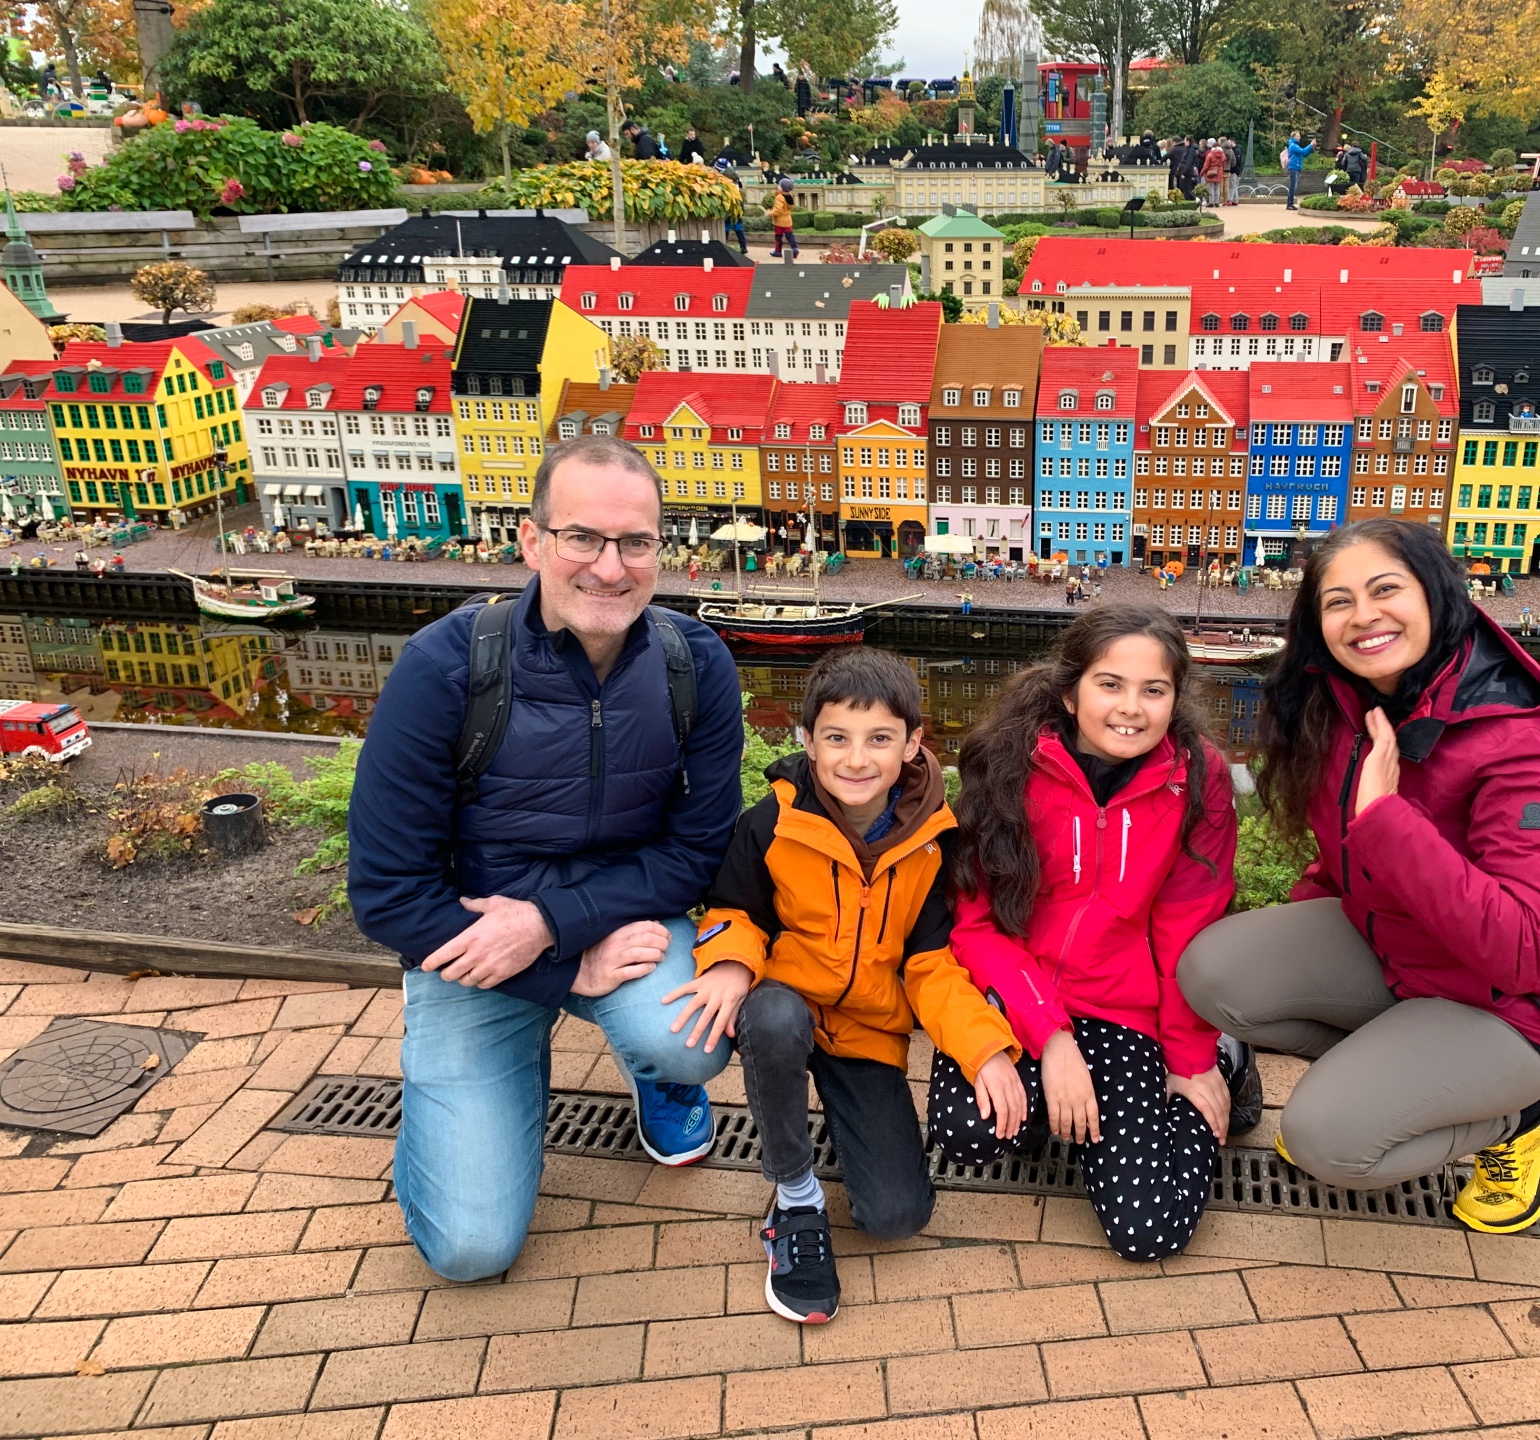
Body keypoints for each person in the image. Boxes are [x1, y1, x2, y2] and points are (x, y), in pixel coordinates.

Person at [346, 435, 744, 1282]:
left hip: (618, 911)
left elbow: (699, 848)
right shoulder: (445, 668)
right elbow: (387, 892)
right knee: (470, 1251)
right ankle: (469, 1099)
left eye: (636, 542)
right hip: (474, 942)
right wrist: (555, 969)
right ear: (532, 543)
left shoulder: (694, 664)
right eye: (582, 539)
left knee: (690, 1046)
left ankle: (655, 1077)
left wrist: (560, 927)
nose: (610, 567)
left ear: (659, 549)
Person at [1177, 518, 1540, 1236]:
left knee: (1328, 1142)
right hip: (1405, 954)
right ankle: (1389, 1079)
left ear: (1435, 593)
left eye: (1384, 590)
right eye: (1337, 601)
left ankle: (1525, 1116)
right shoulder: (1344, 699)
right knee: (1215, 973)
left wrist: (1386, 819)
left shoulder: (1518, 739)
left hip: (1513, 1006)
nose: (1362, 616)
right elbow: (1339, 861)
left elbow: (1528, 949)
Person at [672, 650, 1022, 1324]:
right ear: (808, 741)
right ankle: (794, 1193)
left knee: (896, 1216)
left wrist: (984, 1048)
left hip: (865, 1029)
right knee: (772, 1020)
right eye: (836, 738)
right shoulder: (772, 824)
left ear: (914, 744)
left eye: (879, 739)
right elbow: (732, 909)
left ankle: (850, 1122)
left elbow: (929, 965)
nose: (856, 759)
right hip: (788, 1003)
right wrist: (730, 962)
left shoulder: (932, 844)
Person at [933, 604, 1257, 1261]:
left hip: (1122, 1007)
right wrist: (1051, 1040)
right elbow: (976, 924)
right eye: (1110, 684)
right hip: (1016, 995)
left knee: (1148, 1234)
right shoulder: (1011, 765)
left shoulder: (1198, 782)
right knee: (966, 1129)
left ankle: (1227, 1064)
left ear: (1175, 698)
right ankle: (1062, 1110)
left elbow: (1186, 927)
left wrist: (1189, 1060)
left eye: (1154, 690)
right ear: (1070, 690)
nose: (1130, 708)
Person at [714, 159, 749, 254]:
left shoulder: (724, 178)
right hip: (738, 204)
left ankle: (724, 246)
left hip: (728, 203)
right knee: (738, 227)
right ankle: (743, 247)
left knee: (726, 225)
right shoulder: (734, 176)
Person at [1284, 130, 1315, 209]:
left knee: (1294, 186)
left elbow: (1304, 154)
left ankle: (1290, 204)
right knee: (1293, 186)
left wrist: (1311, 148)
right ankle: (1289, 204)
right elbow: (1303, 151)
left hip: (1296, 167)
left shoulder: (1295, 145)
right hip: (1294, 167)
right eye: (1298, 136)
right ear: (1294, 137)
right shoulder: (1293, 145)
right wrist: (1310, 145)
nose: (1300, 137)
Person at [770, 177, 799, 258]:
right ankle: (794, 249)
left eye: (779, 186)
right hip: (788, 221)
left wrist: (770, 213)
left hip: (779, 222)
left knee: (778, 237)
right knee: (790, 236)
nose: (777, 187)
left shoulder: (779, 197)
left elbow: (777, 210)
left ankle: (778, 251)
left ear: (783, 188)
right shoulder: (790, 196)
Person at [1200, 142, 1227, 207]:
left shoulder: (1210, 155)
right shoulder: (1223, 155)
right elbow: (1224, 165)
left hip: (1211, 172)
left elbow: (1206, 165)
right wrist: (1221, 171)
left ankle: (1211, 202)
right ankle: (1217, 202)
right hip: (1219, 172)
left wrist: (1202, 173)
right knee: (1217, 188)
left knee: (1211, 188)